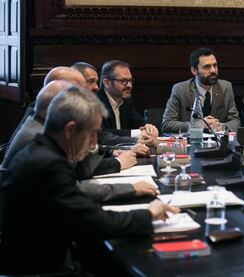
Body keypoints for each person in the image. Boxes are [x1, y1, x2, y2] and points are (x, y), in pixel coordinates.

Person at [0, 86, 179, 275]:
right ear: (70, 130)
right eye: (92, 133)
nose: (94, 144)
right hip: (40, 269)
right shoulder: (49, 165)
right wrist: (149, 214)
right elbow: (94, 223)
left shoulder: (40, 151)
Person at [0, 81, 158, 203]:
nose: (93, 91)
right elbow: (80, 177)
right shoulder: (40, 146)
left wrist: (110, 152)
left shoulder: (45, 133)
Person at [161, 47, 240, 133]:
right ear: (194, 71)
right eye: (207, 67)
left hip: (218, 143)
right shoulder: (180, 90)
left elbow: (235, 121)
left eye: (215, 65)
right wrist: (197, 125)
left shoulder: (226, 87)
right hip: (191, 143)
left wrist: (221, 127)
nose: (213, 70)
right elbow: (166, 124)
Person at [97, 60, 158, 141]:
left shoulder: (126, 101)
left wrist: (148, 129)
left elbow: (139, 124)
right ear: (107, 83)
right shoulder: (95, 102)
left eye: (130, 81)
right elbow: (101, 133)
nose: (129, 85)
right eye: (123, 81)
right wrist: (136, 133)